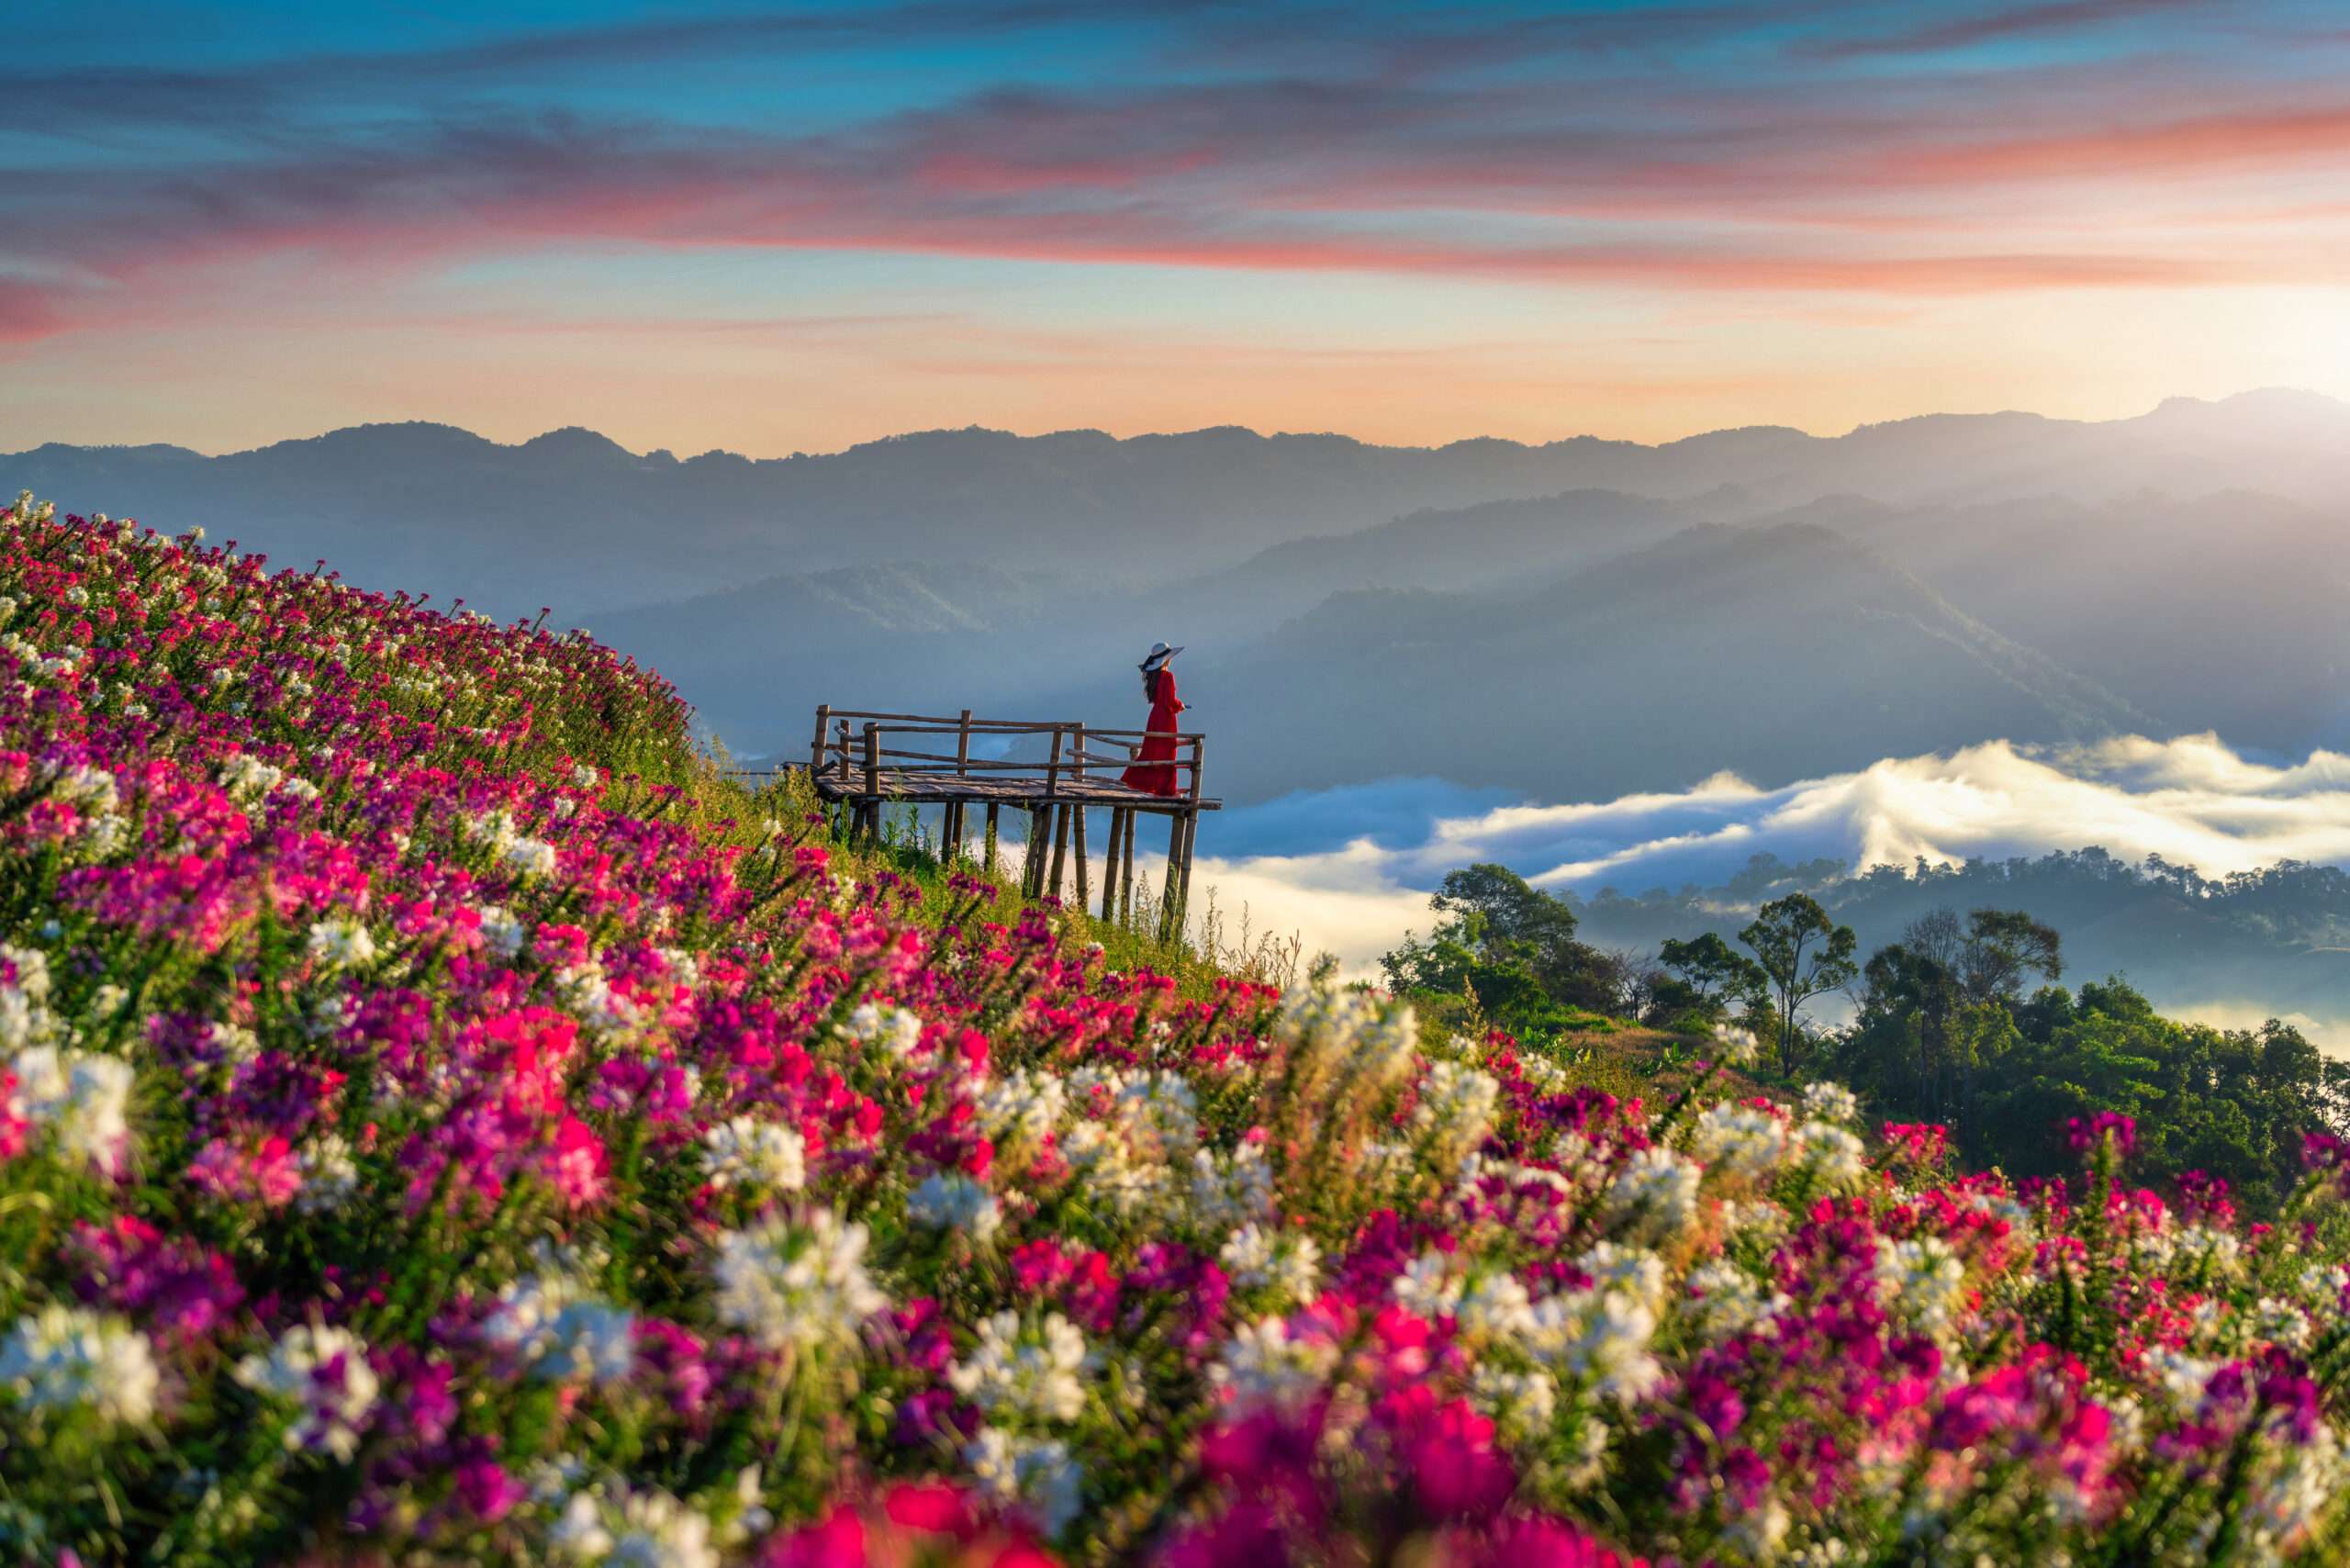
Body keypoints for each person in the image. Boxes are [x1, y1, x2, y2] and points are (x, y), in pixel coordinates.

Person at [1121, 641, 1187, 797]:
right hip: (1166, 718)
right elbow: (1170, 701)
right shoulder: (1168, 676)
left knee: (1152, 750)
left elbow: (1160, 699)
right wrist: (1181, 706)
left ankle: (1144, 782)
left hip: (1155, 716)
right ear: (1167, 660)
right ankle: (1167, 789)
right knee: (1167, 751)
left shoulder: (1153, 677)